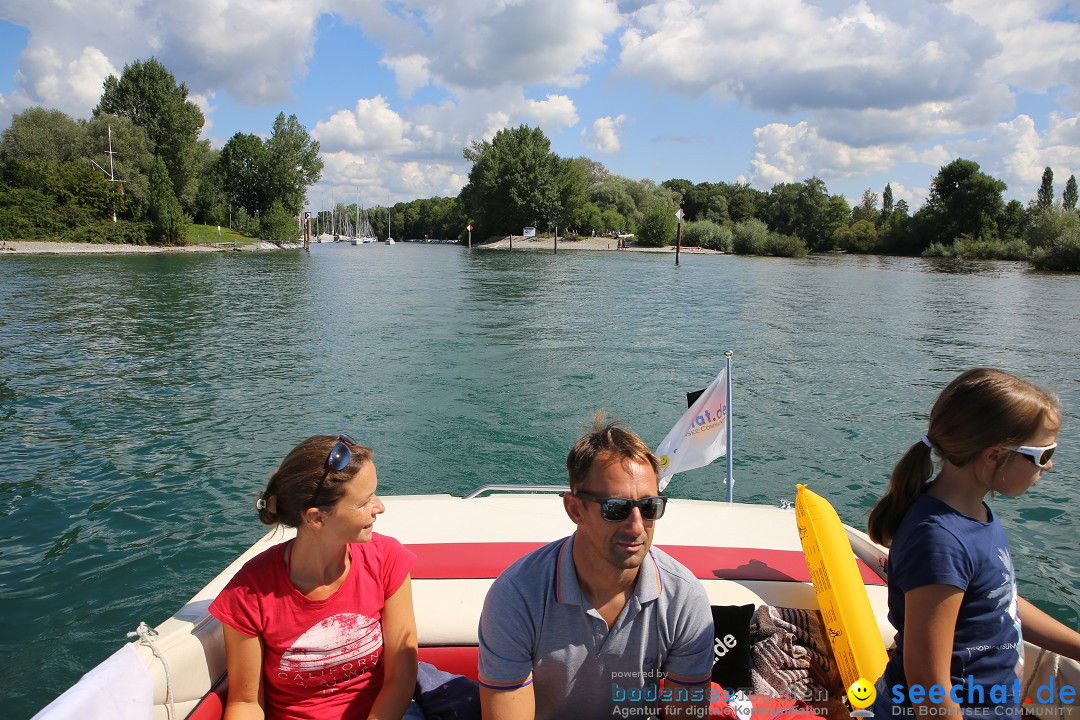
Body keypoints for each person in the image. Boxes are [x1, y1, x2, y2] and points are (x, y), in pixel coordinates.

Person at [867, 368, 1080, 717]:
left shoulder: (974, 514)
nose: (1050, 465)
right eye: (1042, 454)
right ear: (994, 455)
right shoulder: (939, 541)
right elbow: (929, 686)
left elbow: (998, 600)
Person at [477, 416, 714, 719]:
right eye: (616, 508)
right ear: (575, 509)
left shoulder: (683, 599)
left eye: (650, 507)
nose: (637, 526)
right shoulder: (516, 597)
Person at [209, 435, 419, 720]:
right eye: (364, 501)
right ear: (317, 518)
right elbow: (246, 703)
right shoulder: (249, 593)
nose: (380, 507)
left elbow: (401, 675)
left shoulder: (387, 560)